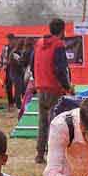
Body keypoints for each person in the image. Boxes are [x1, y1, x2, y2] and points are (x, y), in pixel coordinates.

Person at [33, 18, 72, 164]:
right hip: (54, 88)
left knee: (42, 122)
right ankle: (52, 155)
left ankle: (39, 154)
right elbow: (60, 69)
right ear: (62, 30)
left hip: (40, 87)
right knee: (54, 123)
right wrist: (67, 87)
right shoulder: (58, 45)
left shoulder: (38, 43)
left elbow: (32, 64)